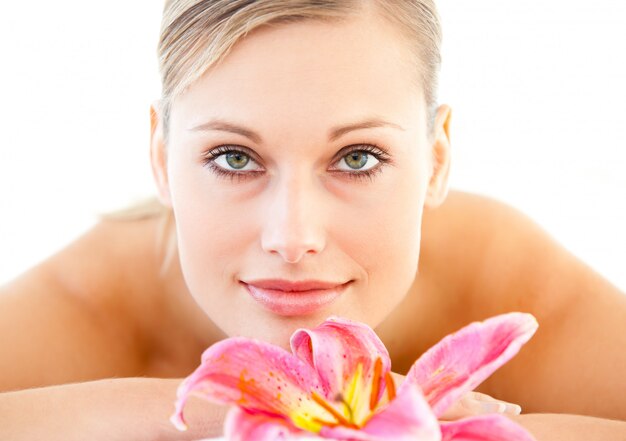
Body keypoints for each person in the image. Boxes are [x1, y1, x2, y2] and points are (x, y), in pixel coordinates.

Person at [1, 1, 625, 439]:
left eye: (357, 158)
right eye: (233, 157)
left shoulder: (500, 274)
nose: (293, 237)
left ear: (435, 161)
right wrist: (236, 410)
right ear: (162, 161)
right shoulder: (89, 306)